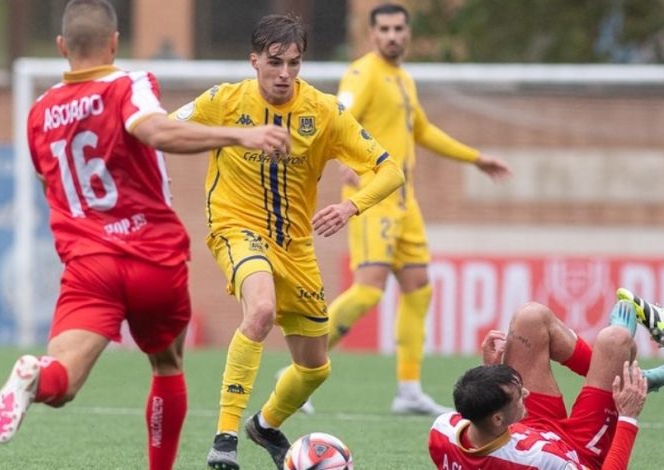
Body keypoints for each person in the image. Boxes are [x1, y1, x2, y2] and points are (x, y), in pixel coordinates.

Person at [0, 1, 290, 469]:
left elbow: (50, 184)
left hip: (89, 263)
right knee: (166, 365)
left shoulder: (39, 112)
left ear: (62, 46)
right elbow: (154, 130)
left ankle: (34, 376)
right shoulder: (128, 83)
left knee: (62, 382)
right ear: (114, 42)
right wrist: (238, 135)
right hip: (152, 255)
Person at [171, 13, 405, 470]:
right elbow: (165, 128)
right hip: (236, 229)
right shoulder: (223, 99)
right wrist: (232, 136)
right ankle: (224, 440)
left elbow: (390, 170)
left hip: (295, 246)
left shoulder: (324, 111)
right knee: (259, 311)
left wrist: (350, 206)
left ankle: (266, 425)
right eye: (274, 63)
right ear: (253, 60)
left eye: (294, 64)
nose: (284, 74)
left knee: (316, 367)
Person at [323, 3, 512, 416]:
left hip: (406, 204)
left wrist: (475, 158)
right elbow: (339, 118)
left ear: (408, 34)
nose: (392, 36)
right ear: (372, 35)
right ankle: (305, 363)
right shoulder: (362, 73)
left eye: (399, 29)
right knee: (369, 289)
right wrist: (345, 162)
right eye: (385, 29)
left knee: (418, 288)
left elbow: (421, 130)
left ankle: (408, 389)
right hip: (373, 198)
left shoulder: (404, 79)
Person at [428, 287, 664, 469]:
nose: (526, 393)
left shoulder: (442, 429)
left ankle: (633, 379)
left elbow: (479, 412)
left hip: (523, 429)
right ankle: (627, 376)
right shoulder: (541, 462)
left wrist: (490, 373)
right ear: (498, 418)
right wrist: (627, 418)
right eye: (519, 397)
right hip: (577, 451)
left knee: (530, 318)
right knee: (614, 340)